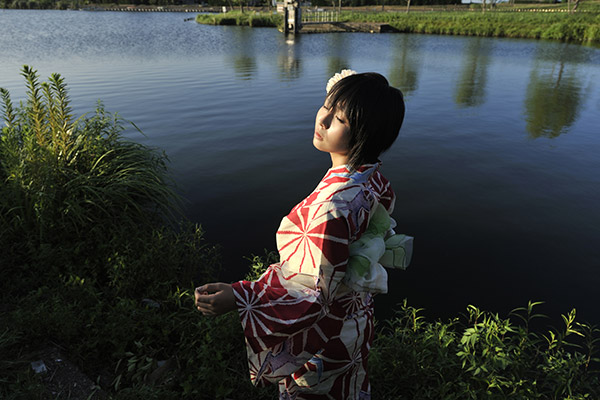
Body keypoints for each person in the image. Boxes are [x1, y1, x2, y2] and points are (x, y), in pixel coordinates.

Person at [195, 70, 413, 399]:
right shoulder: (372, 179)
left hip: (326, 332)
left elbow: (311, 293)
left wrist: (241, 297)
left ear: (364, 135)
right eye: (326, 106)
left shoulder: (332, 207)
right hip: (355, 316)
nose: (322, 120)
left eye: (338, 119)